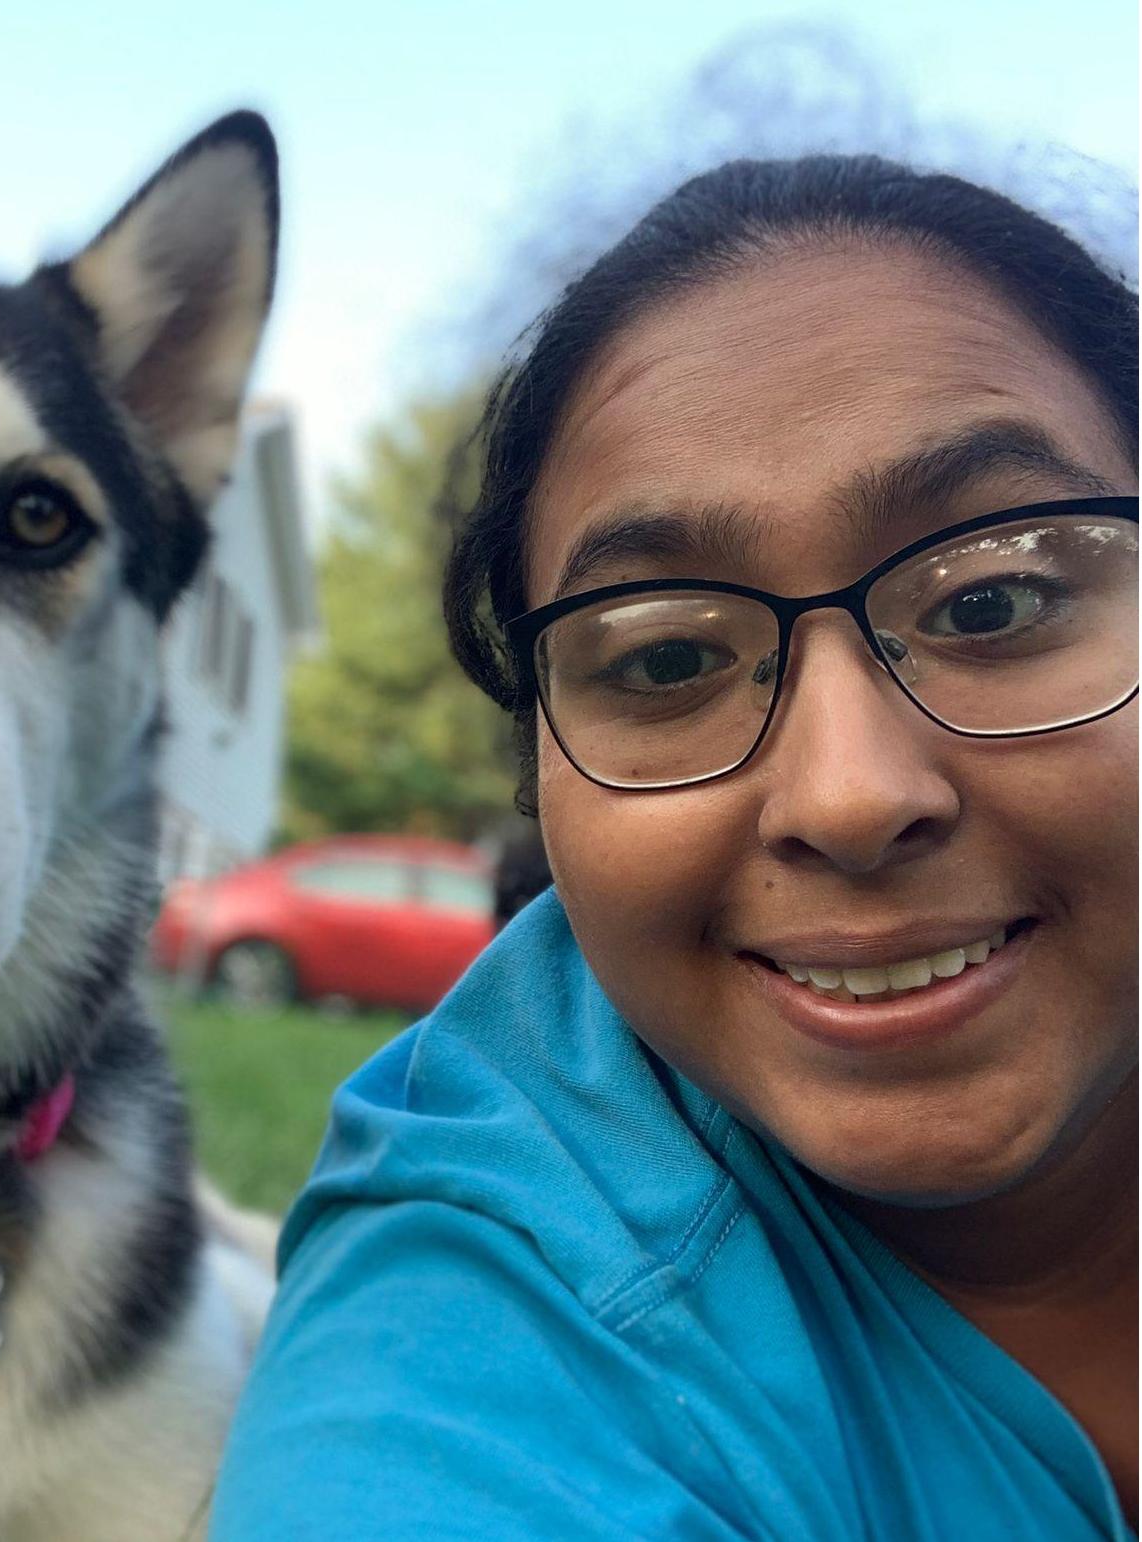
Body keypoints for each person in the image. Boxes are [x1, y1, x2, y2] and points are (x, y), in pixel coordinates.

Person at [213, 156, 1138, 1539]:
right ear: (538, 769)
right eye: (663, 659)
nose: (845, 794)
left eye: (993, 597)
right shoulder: (476, 1331)